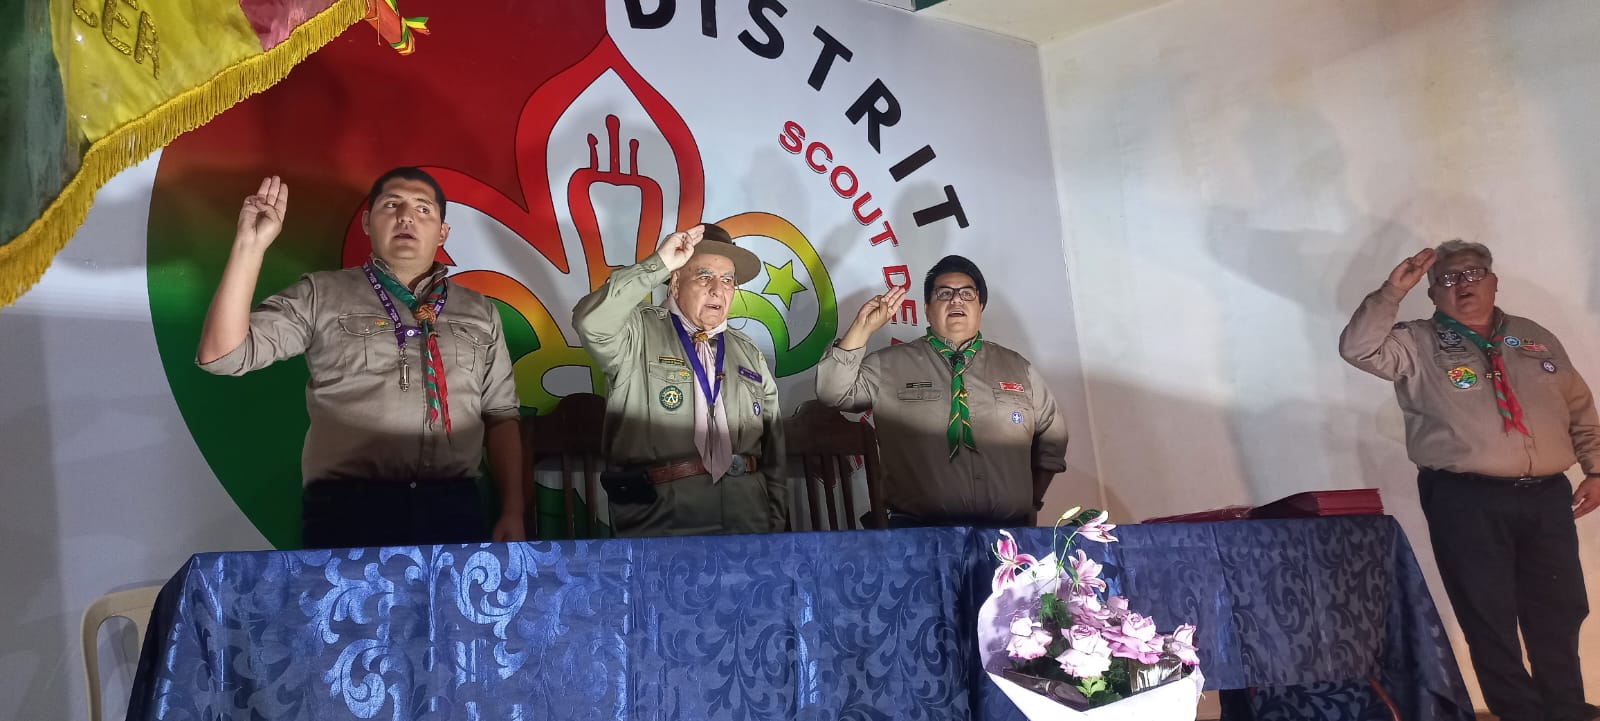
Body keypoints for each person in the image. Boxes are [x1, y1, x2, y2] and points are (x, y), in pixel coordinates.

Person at [1340, 240, 1600, 721]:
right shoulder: (1414, 341)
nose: (1463, 285)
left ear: (1494, 281)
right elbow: (1357, 348)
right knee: (1488, 616)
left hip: (1546, 496)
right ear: (1432, 292)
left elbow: (1579, 408)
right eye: (1448, 279)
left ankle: (1564, 709)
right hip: (1466, 499)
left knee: (1559, 608)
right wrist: (1390, 292)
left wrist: (1596, 467)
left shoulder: (1533, 336)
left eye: (1473, 273)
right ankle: (1521, 713)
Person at [197, 169, 525, 548]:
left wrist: (513, 510)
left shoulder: (479, 311)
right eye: (392, 205)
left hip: (454, 510)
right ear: (368, 222)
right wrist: (250, 247)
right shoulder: (322, 294)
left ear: (442, 233)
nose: (406, 217)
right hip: (348, 512)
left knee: (448, 610)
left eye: (423, 209)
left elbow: (501, 416)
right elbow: (222, 354)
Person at [814, 254, 1067, 527]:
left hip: (1008, 536)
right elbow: (832, 392)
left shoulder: (1018, 368)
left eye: (967, 293)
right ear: (926, 308)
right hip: (918, 536)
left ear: (981, 305)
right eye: (944, 293)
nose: (956, 300)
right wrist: (861, 330)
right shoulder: (889, 365)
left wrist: (1030, 501)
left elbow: (1053, 439)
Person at [572, 223, 785, 536]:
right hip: (662, 519)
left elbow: (774, 452)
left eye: (727, 280)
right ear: (674, 283)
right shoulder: (638, 332)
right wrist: (657, 264)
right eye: (704, 275)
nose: (717, 289)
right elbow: (590, 322)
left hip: (747, 518)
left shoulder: (748, 352)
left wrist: (776, 526)